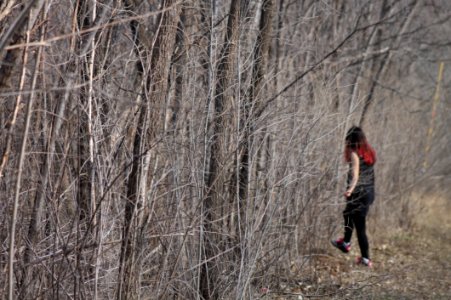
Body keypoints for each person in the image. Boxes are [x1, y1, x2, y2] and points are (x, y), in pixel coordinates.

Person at [332, 126, 376, 267]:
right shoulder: (368, 153)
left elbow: (355, 175)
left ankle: (361, 255)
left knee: (359, 226)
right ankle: (347, 243)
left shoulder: (354, 154)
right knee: (348, 214)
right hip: (368, 193)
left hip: (358, 194)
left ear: (351, 141)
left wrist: (350, 190)